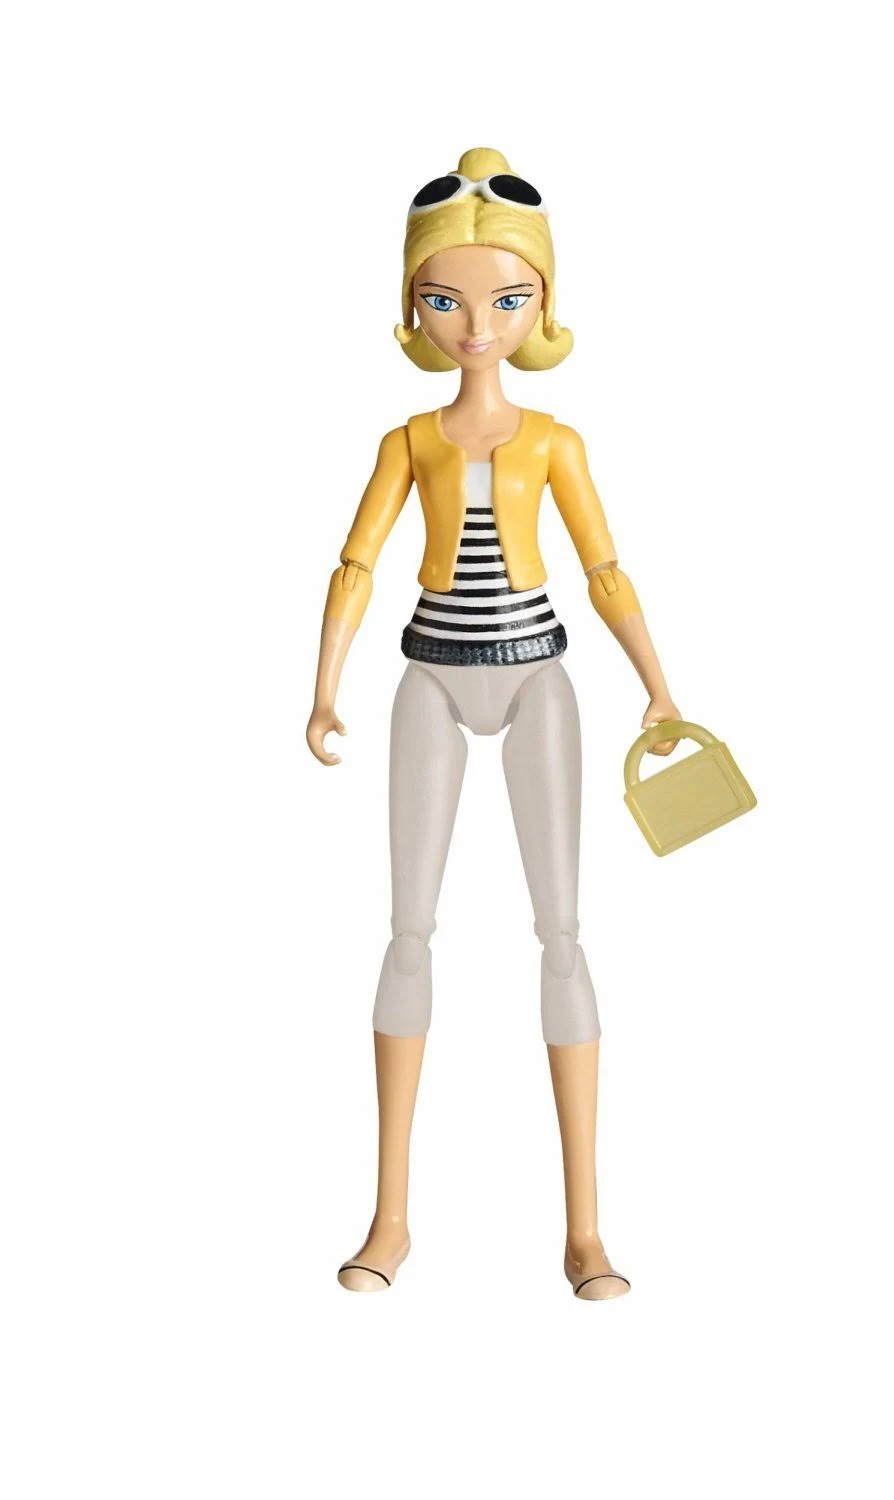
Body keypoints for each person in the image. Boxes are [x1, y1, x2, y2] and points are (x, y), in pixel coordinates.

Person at [307, 148, 681, 1298]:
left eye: (506, 300)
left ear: (542, 304)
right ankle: (390, 1218)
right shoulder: (408, 442)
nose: (477, 326)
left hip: (536, 679)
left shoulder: (556, 441)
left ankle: (586, 1233)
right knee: (408, 930)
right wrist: (323, 685)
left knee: (560, 931)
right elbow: (358, 563)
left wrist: (659, 685)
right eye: (448, 301)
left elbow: (605, 568)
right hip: (430, 672)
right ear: (414, 304)